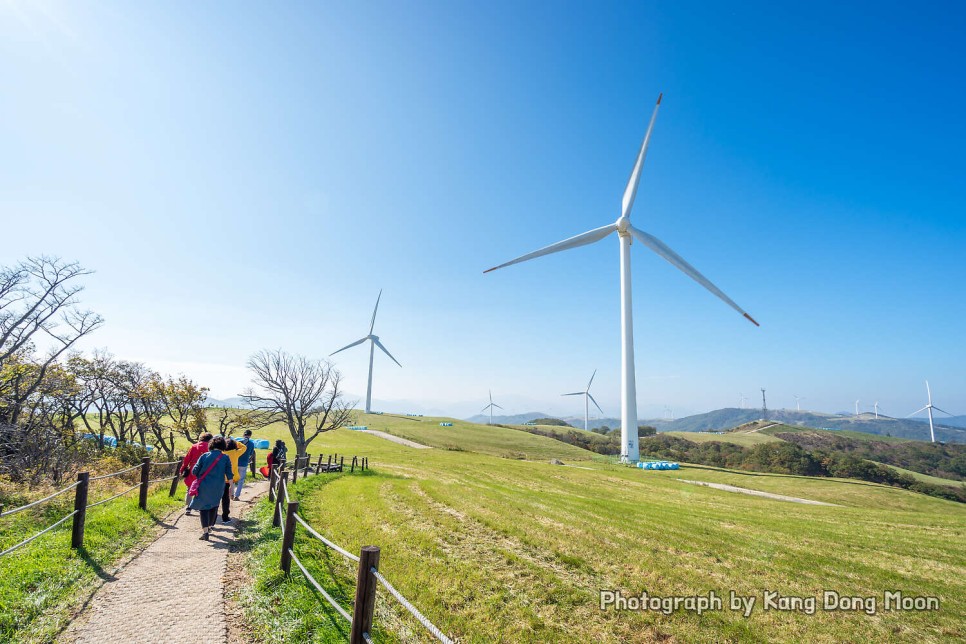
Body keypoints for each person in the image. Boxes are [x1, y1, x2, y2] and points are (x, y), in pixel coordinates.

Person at [190, 436, 234, 540]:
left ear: (211, 445)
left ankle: (205, 532)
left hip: (204, 485)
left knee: (203, 508)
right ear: (223, 446)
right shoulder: (225, 457)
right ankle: (210, 526)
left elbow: (194, 471)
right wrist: (232, 487)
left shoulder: (204, 456)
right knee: (214, 505)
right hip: (219, 486)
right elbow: (229, 474)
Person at [180, 433, 212, 516]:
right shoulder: (211, 448)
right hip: (205, 470)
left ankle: (188, 507)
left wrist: (183, 468)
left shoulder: (194, 446)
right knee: (202, 489)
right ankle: (202, 507)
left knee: (190, 488)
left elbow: (187, 458)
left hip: (193, 469)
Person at [221, 438, 247, 523]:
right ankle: (225, 516)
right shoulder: (235, 453)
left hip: (219, 478)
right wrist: (237, 442)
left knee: (217, 497)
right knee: (225, 498)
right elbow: (244, 447)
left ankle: (212, 518)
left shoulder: (222, 453)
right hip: (230, 479)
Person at [233, 429, 256, 500]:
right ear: (250, 435)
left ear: (243, 435)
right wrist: (249, 459)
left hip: (236, 462)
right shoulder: (251, 444)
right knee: (241, 480)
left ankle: (231, 494)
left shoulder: (238, 442)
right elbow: (251, 453)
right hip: (244, 463)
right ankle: (236, 496)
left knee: (233, 478)